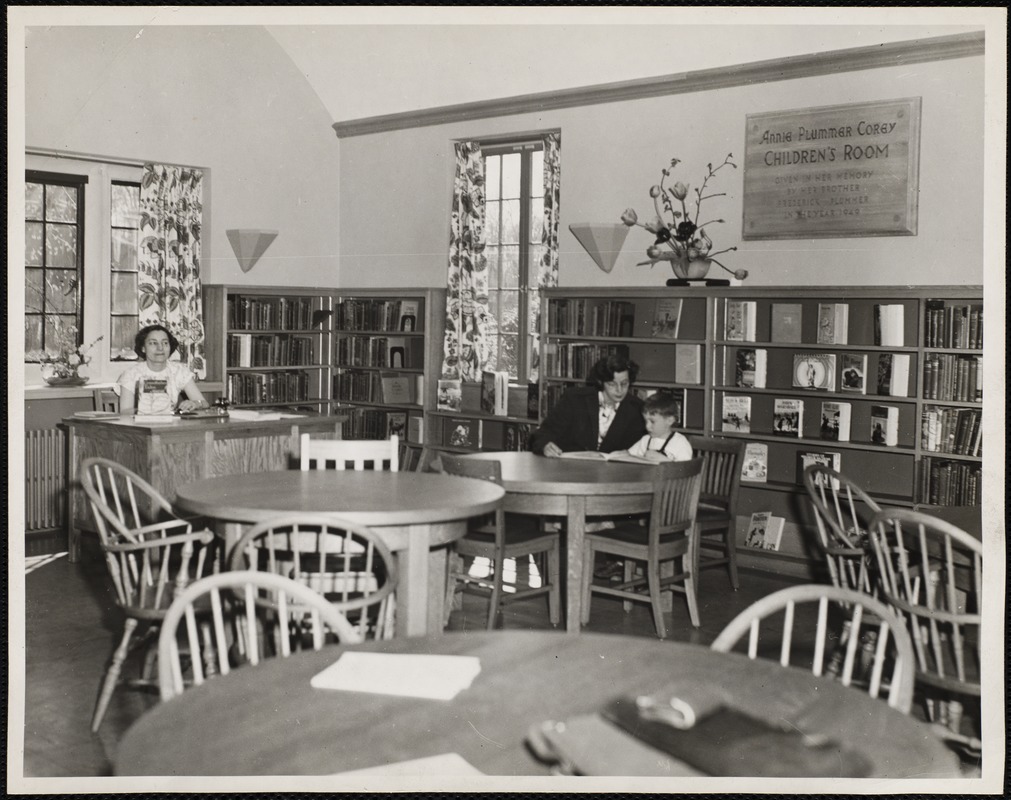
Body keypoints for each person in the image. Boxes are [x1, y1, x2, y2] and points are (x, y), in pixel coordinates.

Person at [529, 353, 647, 456]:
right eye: (612, 384)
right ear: (601, 382)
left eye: (624, 383)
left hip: (614, 475)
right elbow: (544, 433)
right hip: (572, 471)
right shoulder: (575, 399)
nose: (619, 390)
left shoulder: (637, 409)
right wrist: (545, 445)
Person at [117, 324, 208, 416]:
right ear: (143, 348)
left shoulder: (179, 371)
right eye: (153, 343)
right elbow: (125, 413)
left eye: (165, 343)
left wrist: (195, 403)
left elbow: (204, 403)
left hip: (171, 426)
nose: (160, 348)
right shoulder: (131, 374)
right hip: (141, 426)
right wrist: (146, 410)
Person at [618, 391, 693, 462]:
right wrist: (617, 455)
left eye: (652, 421)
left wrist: (664, 461)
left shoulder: (680, 443)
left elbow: (686, 470)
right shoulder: (645, 440)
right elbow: (629, 455)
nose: (647, 426)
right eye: (646, 421)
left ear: (669, 420)